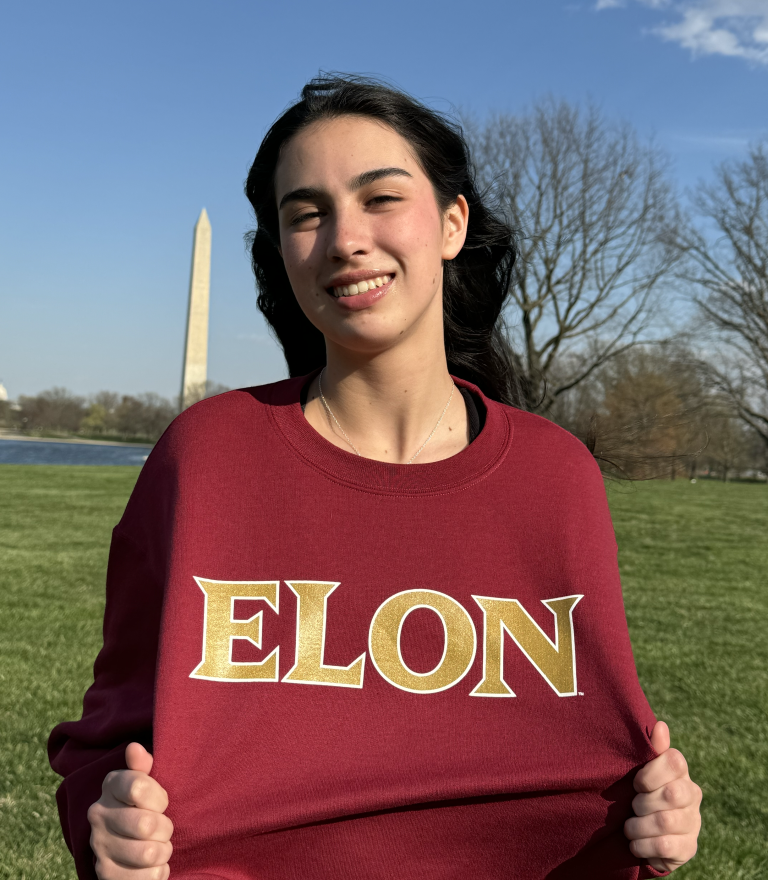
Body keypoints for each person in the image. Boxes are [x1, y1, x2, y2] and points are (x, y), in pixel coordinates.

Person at [49, 76, 702, 879]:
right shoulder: (205, 456)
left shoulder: (556, 476)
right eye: (306, 214)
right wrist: (106, 820)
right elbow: (106, 739)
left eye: (381, 198)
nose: (345, 239)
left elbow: (600, 732)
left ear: (453, 222)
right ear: (280, 250)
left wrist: (655, 811)